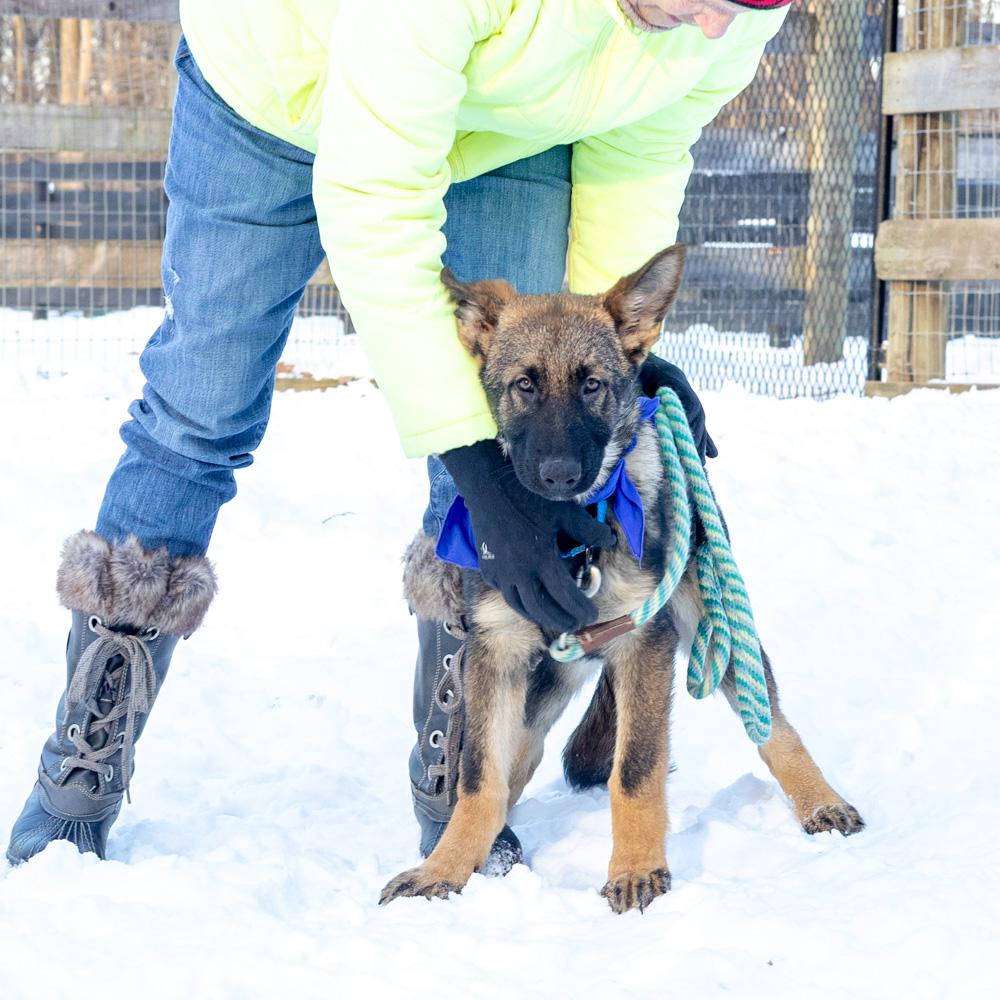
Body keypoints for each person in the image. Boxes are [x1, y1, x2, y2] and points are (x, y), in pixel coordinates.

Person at [5, 0, 791, 868]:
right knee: (200, 408)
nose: (723, 24)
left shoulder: (738, 14)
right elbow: (373, 207)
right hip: (274, 90)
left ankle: (463, 779)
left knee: (509, 437)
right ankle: (84, 766)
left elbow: (640, 146)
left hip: (505, 127)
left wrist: (620, 359)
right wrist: (480, 474)